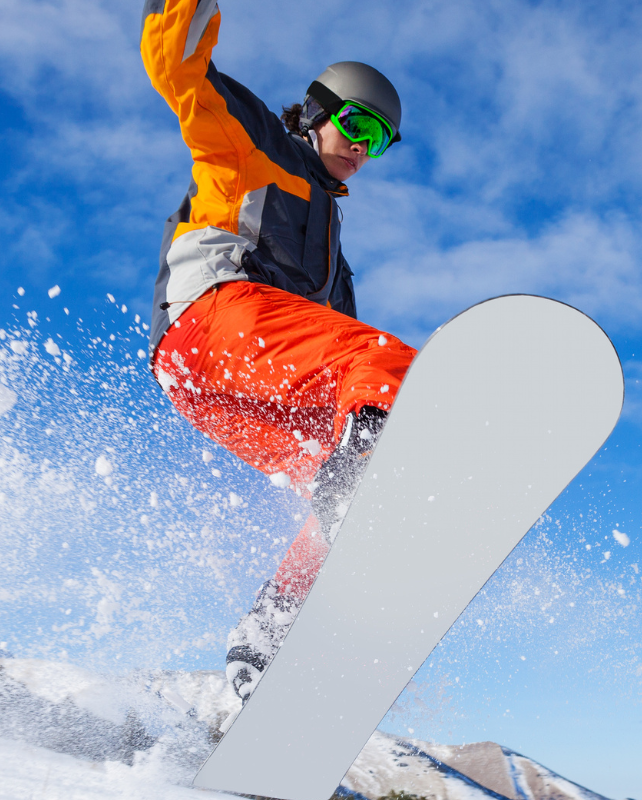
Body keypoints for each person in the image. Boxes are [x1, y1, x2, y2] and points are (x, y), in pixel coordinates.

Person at [140, 0, 416, 718]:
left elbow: (334, 351)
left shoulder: (333, 262)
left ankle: (267, 634)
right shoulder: (256, 143)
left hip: (216, 389)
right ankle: (358, 476)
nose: (363, 149)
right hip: (210, 323)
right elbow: (180, 71)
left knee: (347, 492)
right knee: (391, 368)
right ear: (315, 112)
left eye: (380, 142)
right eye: (357, 125)